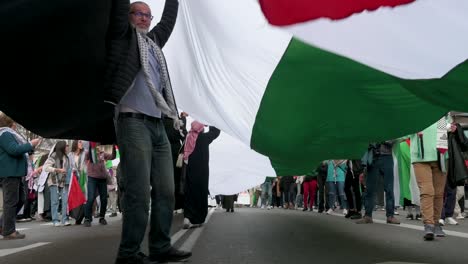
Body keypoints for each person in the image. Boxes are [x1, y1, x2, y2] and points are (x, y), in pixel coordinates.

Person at [105, 0, 191, 263]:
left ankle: (160, 247)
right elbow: (119, 9)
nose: (143, 18)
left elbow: (168, 21)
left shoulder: (154, 43)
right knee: (139, 191)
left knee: (166, 190)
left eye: (147, 15)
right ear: (129, 17)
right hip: (133, 122)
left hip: (158, 125)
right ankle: (128, 253)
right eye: (138, 13)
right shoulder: (122, 38)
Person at [0, 112, 41, 239]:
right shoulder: (5, 134)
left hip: (15, 172)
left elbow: (18, 150)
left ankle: (3, 225)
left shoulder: (10, 134)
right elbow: (13, 150)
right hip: (9, 172)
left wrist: (30, 147)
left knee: (20, 200)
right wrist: (29, 144)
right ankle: (8, 231)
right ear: (12, 123)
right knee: (11, 202)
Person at [182, 122, 220, 229]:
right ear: (201, 129)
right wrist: (210, 120)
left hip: (190, 171)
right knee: (200, 192)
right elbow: (216, 132)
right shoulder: (204, 138)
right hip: (202, 172)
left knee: (189, 192)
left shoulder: (189, 137)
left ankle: (188, 217)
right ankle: (198, 219)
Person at [84, 143, 116, 227]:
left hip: (102, 179)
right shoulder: (89, 153)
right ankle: (87, 218)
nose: (98, 146)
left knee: (104, 198)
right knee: (90, 198)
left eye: (99, 145)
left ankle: (102, 217)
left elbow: (113, 157)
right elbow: (84, 161)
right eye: (96, 145)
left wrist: (113, 146)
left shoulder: (103, 153)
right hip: (92, 178)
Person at [43, 141, 72, 227]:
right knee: (55, 201)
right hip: (54, 181)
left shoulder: (67, 158)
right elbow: (46, 167)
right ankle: (55, 220)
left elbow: (69, 168)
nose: (67, 148)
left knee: (65, 200)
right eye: (66, 146)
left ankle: (65, 219)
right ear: (62, 147)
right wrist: (57, 170)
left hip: (64, 182)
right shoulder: (53, 156)